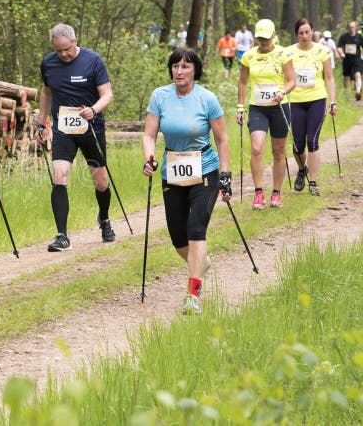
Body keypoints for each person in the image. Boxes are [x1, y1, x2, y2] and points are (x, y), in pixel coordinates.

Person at [142, 48, 231, 315]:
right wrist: (149, 157)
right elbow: (149, 134)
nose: (179, 71)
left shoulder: (207, 99)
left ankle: (192, 293)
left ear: (195, 71)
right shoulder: (160, 96)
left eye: (185, 67)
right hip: (173, 170)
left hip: (205, 170)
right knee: (178, 237)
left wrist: (225, 175)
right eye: (175, 66)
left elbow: (223, 139)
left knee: (196, 228)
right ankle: (199, 263)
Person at [36, 23, 115, 251]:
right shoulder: (48, 63)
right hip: (63, 129)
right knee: (59, 176)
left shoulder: (93, 60)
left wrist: (94, 109)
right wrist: (42, 122)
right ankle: (62, 236)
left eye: (67, 49)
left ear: (75, 41)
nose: (63, 55)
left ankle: (104, 218)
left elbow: (107, 94)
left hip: (91, 127)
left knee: (101, 182)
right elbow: (47, 91)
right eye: (58, 51)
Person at [237, 18, 296, 209]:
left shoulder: (283, 53)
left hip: (279, 107)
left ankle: (276, 193)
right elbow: (243, 82)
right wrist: (240, 107)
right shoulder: (248, 56)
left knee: (278, 151)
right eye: (260, 38)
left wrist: (283, 92)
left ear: (273, 35)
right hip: (258, 107)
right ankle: (258, 193)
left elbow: (292, 80)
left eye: (266, 38)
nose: (263, 42)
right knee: (256, 147)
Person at [288, 19, 337, 196]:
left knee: (312, 141)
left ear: (312, 31)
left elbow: (329, 78)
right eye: (301, 33)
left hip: (317, 99)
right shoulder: (289, 52)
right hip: (296, 100)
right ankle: (303, 169)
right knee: (297, 145)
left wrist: (333, 101)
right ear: (297, 34)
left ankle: (313, 182)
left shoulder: (322, 50)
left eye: (307, 32)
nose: (304, 36)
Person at [335, 20, 363, 100]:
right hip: (347, 59)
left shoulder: (359, 37)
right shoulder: (344, 37)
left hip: (357, 59)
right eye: (350, 27)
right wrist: (341, 53)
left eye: (353, 27)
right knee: (346, 78)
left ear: (355, 27)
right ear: (348, 28)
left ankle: (358, 92)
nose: (352, 29)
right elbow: (339, 47)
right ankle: (346, 93)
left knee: (358, 75)